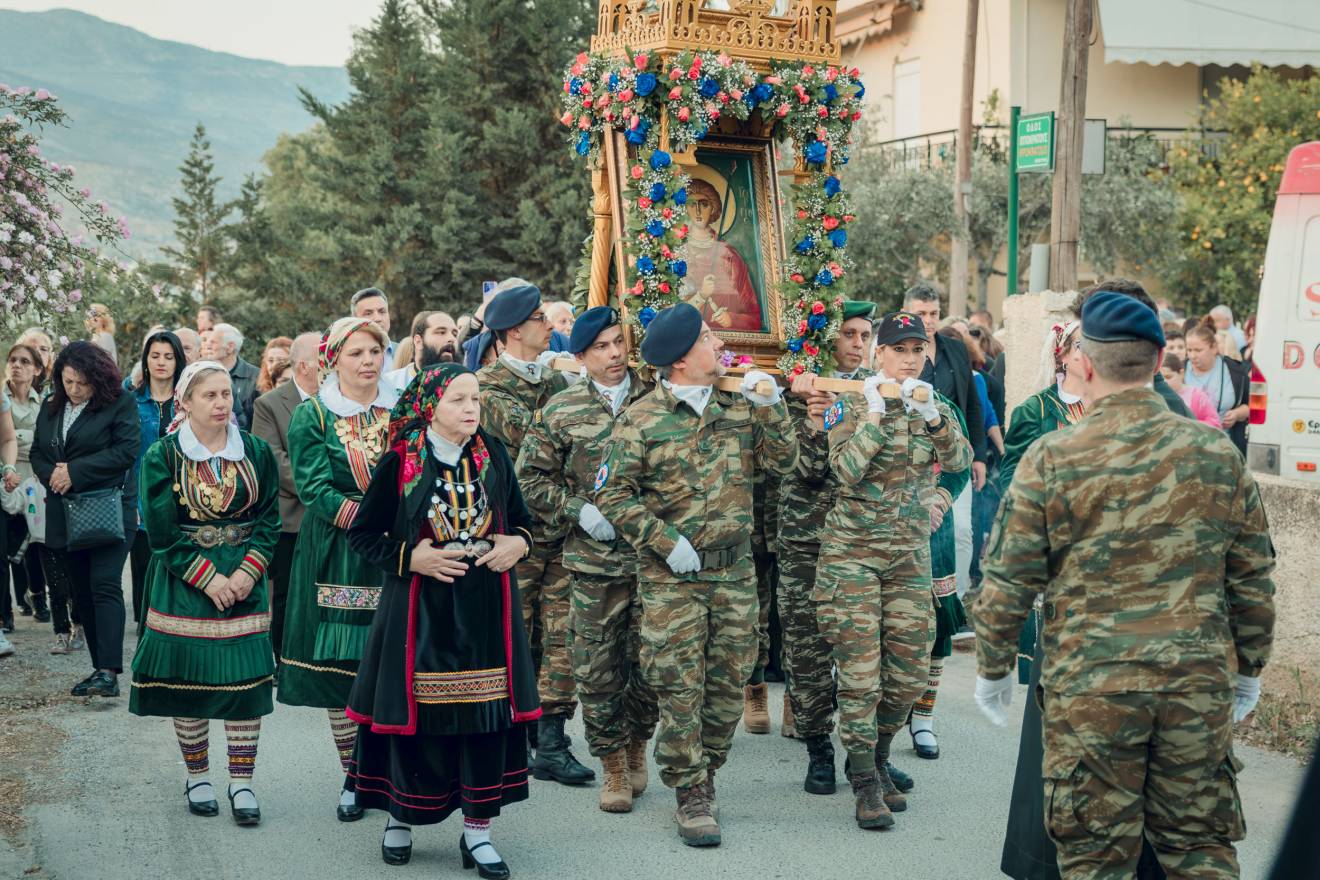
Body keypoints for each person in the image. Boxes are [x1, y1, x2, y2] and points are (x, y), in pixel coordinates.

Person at [974, 292, 1276, 879]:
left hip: (1094, 689)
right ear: (1159, 359)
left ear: (1084, 364)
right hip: (1194, 684)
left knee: (1095, 857)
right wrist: (1249, 667)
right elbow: (1252, 578)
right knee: (1200, 850)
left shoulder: (1054, 457)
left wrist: (993, 668)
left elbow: (1009, 576)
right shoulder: (1216, 453)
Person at [595, 303, 798, 846]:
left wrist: (773, 406)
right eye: (709, 339)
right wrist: (666, 541)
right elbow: (612, 494)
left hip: (734, 573)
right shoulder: (640, 419)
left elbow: (785, 464)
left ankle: (707, 769)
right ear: (682, 359)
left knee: (729, 684)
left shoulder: (740, 406)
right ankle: (690, 790)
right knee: (679, 685)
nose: (721, 346)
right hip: (672, 579)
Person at [345, 364, 537, 876]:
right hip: (419, 614)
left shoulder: (493, 453)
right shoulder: (401, 460)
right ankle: (399, 819)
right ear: (430, 407)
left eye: (475, 399)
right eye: (458, 400)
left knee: (484, 721)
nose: (471, 409)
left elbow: (522, 521)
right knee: (417, 722)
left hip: (484, 612)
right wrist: (412, 558)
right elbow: (362, 535)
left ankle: (478, 833)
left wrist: (517, 544)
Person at [814, 311, 970, 830]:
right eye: (898, 350)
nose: (909, 359)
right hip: (853, 557)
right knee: (861, 676)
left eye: (917, 350)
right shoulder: (851, 403)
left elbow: (960, 460)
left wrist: (934, 419)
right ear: (878, 353)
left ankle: (879, 756)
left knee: (906, 674)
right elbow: (844, 471)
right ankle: (863, 778)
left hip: (907, 557)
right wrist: (876, 418)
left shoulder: (932, 403)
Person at [517, 306, 657, 813]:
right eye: (601, 347)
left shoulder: (655, 399)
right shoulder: (561, 410)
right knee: (596, 670)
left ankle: (637, 745)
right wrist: (578, 510)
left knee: (649, 664)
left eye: (619, 342)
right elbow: (529, 478)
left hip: (652, 559)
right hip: (593, 564)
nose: (615, 354)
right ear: (580, 357)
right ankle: (612, 763)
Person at [128, 361, 281, 826]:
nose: (221, 403)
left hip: (244, 579)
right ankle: (197, 777)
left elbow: (269, 520)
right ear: (186, 402)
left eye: (225, 394)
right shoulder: (164, 455)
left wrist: (247, 573)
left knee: (243, 684)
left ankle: (242, 782)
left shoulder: (255, 451)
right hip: (185, 581)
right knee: (188, 682)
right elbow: (161, 533)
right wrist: (209, 579)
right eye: (209, 395)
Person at [277, 317, 398, 821]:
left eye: (375, 351)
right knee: (344, 663)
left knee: (394, 659)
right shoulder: (314, 416)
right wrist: (370, 522)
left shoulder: (401, 408)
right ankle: (354, 776)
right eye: (357, 353)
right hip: (340, 550)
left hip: (397, 549)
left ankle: (391, 772)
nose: (368, 361)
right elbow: (313, 487)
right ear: (333, 360)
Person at [476, 279, 593, 785]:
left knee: (563, 634)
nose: (549, 326)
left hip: (562, 528)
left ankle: (551, 739)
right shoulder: (487, 387)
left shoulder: (557, 380)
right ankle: (511, 732)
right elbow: (539, 436)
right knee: (515, 634)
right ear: (512, 331)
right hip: (513, 532)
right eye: (540, 319)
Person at [778, 300, 881, 795]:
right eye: (848, 335)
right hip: (807, 539)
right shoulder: (797, 392)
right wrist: (815, 423)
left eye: (865, 336)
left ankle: (871, 756)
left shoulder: (876, 393)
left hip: (860, 539)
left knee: (865, 651)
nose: (858, 345)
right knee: (807, 648)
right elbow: (803, 471)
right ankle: (818, 748)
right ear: (827, 339)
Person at [31, 341, 138, 697]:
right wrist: (54, 475)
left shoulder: (120, 402)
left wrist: (74, 472)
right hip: (65, 514)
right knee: (82, 592)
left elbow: (126, 452)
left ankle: (109, 671)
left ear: (98, 378)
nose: (74, 389)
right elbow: (37, 452)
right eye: (68, 381)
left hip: (109, 510)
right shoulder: (51, 405)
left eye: (82, 383)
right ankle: (99, 668)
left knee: (104, 584)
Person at [903, 284, 986, 603]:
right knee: (925, 535)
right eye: (920, 313)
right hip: (915, 461)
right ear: (906, 312)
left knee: (962, 532)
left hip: (955, 459)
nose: (928, 320)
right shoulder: (900, 351)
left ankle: (957, 600)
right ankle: (922, 602)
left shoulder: (955, 349)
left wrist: (978, 456)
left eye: (934, 313)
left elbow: (972, 404)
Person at [250, 332, 320, 665]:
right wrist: (323, 489)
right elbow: (273, 460)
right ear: (304, 365)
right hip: (292, 518)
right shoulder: (269, 404)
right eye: (325, 358)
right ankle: (283, 658)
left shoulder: (337, 400)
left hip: (335, 517)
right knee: (288, 594)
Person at [127, 331, 186, 624]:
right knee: (144, 572)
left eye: (168, 356)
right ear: (146, 360)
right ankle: (146, 634)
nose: (161, 362)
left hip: (184, 498)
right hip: (141, 499)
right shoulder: (131, 402)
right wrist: (130, 501)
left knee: (178, 569)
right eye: (155, 356)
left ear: (178, 361)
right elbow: (125, 457)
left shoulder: (188, 401)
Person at [4, 343, 50, 628]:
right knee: (9, 543)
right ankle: (7, 610)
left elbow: (44, 441)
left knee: (35, 540)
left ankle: (37, 596)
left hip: (35, 478)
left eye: (24, 361)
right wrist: (22, 439)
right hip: (8, 478)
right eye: (12, 360)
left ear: (36, 370)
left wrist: (15, 438)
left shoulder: (43, 402)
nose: (17, 365)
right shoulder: (2, 398)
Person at [682, 179, 761, 332]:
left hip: (729, 341)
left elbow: (754, 318)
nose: (698, 211)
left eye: (704, 204)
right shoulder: (676, 253)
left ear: (713, 208)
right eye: (692, 204)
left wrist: (731, 319)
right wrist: (701, 296)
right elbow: (667, 315)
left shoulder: (729, 256)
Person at [1184, 322, 1249, 456]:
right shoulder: (1180, 370)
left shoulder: (1235, 371)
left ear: (1214, 348)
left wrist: (1237, 414)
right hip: (1187, 448)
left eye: (1198, 350)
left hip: (1225, 448)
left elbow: (1252, 405)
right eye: (1189, 350)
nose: (1192, 356)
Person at [384, 310, 460, 391]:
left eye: (454, 334)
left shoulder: (465, 385)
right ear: (418, 342)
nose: (451, 338)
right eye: (441, 332)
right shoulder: (389, 384)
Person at [209, 323, 260, 431]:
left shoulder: (255, 377)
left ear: (230, 347)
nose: (208, 345)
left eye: (213, 342)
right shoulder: (204, 375)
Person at [1161, 354, 1221, 427]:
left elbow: (1215, 422)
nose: (1164, 382)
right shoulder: (1156, 395)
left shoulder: (1197, 396)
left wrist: (1192, 425)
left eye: (1168, 377)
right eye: (1160, 379)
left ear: (1181, 373)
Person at [351, 287, 395, 364]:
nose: (378, 318)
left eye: (382, 311)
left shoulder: (409, 353)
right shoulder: (346, 357)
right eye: (368, 313)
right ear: (355, 320)